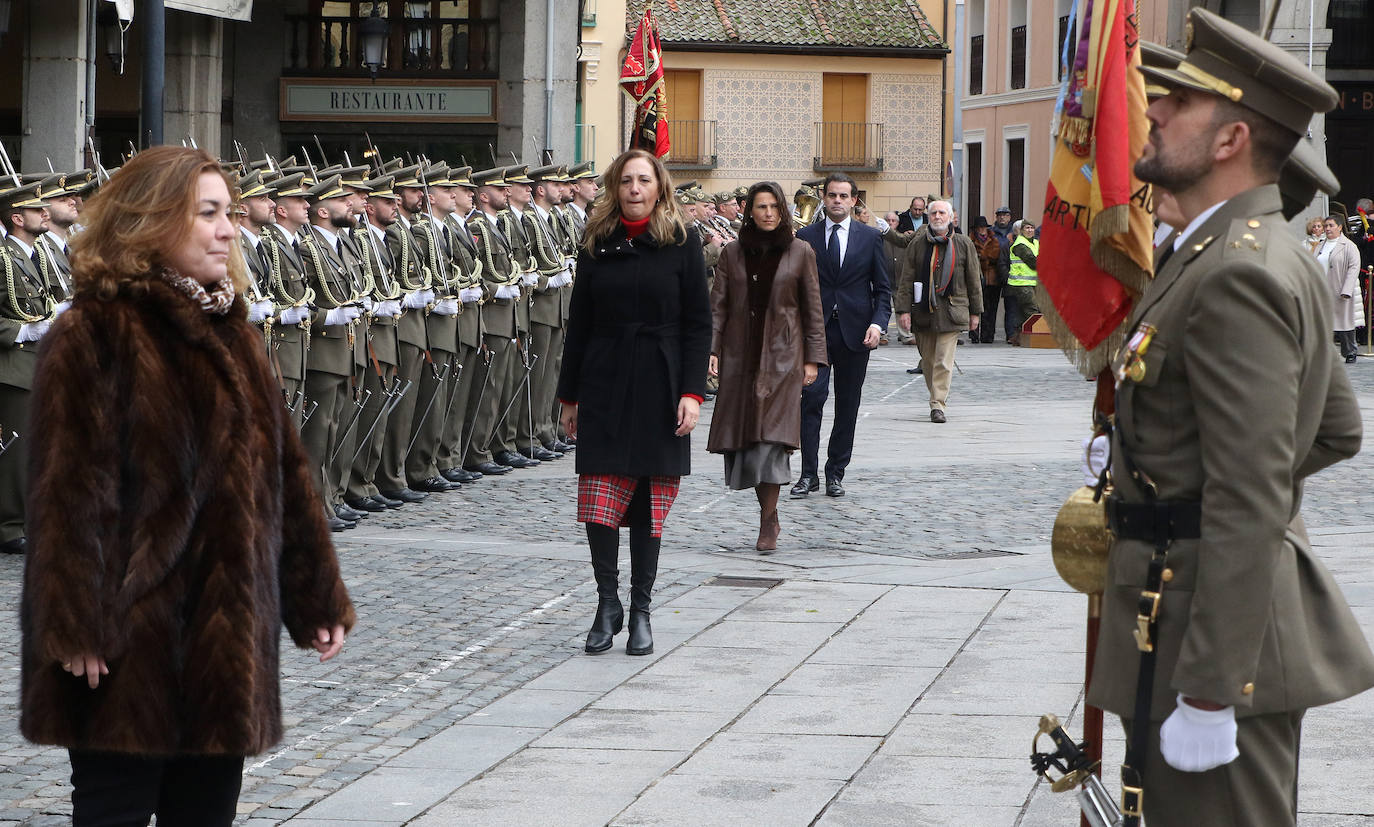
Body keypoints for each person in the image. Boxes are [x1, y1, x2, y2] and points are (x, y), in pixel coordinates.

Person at [1090, 13, 1374, 825]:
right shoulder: (1231, 250)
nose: (1153, 111)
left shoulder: (1237, 273)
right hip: (1182, 609)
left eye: (1177, 103)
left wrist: (1212, 689)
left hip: (1208, 637)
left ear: (1230, 139)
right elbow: (1334, 429)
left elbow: (1250, 491)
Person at [19, 146, 354, 827]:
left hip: (220, 644)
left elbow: (283, 475)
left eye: (228, 213)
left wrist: (313, 591)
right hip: (124, 649)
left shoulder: (234, 332)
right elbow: (66, 492)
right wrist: (76, 621)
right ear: (153, 221)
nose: (228, 229)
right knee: (113, 811)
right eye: (208, 214)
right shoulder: (93, 332)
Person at [557, 148, 710, 657]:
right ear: (615, 187)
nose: (636, 189)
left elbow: (697, 325)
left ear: (660, 187)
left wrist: (692, 392)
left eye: (645, 180)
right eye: (627, 181)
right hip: (604, 380)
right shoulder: (597, 242)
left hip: (662, 383)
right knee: (599, 501)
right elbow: (578, 322)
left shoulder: (682, 242)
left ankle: (641, 609)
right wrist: (569, 395)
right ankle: (607, 604)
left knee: (647, 506)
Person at [706, 182, 826, 552]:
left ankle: (767, 519)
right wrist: (711, 349)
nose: (769, 213)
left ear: (783, 210)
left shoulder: (800, 251)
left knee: (772, 441)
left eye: (774, 206)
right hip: (741, 357)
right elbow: (719, 306)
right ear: (750, 212)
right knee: (750, 440)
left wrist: (813, 357)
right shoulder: (732, 253)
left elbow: (812, 308)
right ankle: (768, 512)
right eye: (761, 207)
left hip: (784, 357)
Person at [792, 172, 891, 498]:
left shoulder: (869, 237)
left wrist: (878, 324)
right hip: (816, 332)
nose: (836, 200)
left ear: (853, 200)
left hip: (856, 333)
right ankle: (808, 475)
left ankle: (835, 472)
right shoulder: (806, 236)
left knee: (848, 405)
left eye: (843, 196)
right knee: (811, 401)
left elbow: (882, 290)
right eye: (831, 195)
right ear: (823, 197)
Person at [0, 180, 56, 555]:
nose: (45, 213)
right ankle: (8, 526)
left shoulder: (38, 256)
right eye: (37, 210)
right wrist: (26, 329)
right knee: (16, 453)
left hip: (42, 365)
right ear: (17, 217)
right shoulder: (4, 257)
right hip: (15, 366)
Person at [895, 200, 981, 422]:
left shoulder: (963, 244)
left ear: (951, 217)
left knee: (943, 360)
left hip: (952, 312)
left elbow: (974, 280)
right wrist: (903, 310)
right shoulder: (918, 243)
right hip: (923, 311)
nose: (937, 216)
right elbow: (906, 278)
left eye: (942, 212)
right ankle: (936, 396)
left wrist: (975, 312)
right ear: (928, 217)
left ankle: (937, 404)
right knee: (929, 360)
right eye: (933, 213)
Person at [1320, 215, 1363, 363]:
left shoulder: (1348, 245)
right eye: (1326, 226)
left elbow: (1354, 268)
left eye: (1331, 225)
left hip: (1339, 289)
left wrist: (1347, 289)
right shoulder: (1321, 245)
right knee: (1323, 323)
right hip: (1322, 289)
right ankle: (1324, 353)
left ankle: (1350, 351)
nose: (1327, 229)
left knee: (1344, 323)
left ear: (1339, 227)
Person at [1005, 219, 1040, 344]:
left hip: (1031, 283)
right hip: (1021, 283)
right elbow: (1033, 262)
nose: (1030, 230)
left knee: (1021, 312)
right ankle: (1036, 338)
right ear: (1021, 231)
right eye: (1027, 228)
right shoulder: (1020, 244)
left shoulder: (1035, 242)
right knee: (1032, 309)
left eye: (1032, 228)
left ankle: (1017, 338)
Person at [971, 216, 1003, 343]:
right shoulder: (971, 240)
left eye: (984, 228)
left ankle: (988, 335)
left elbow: (995, 254)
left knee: (991, 308)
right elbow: (971, 257)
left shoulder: (993, 239)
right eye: (980, 228)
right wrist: (984, 257)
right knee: (976, 307)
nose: (982, 230)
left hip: (992, 280)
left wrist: (981, 255)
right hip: (977, 278)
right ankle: (974, 334)